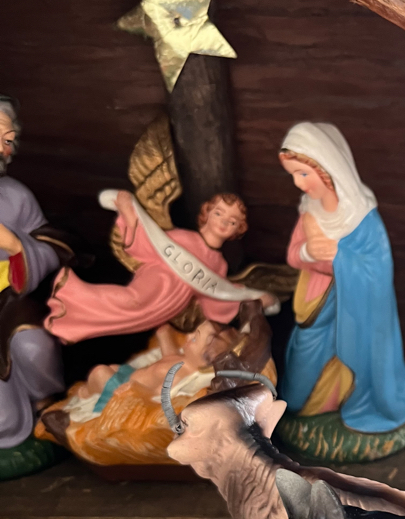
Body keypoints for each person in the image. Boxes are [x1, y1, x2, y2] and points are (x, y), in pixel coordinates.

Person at [278, 122, 405, 435]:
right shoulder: (309, 211)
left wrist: (338, 258)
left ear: (326, 169)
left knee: (351, 361)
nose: (299, 184)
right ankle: (309, 406)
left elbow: (378, 269)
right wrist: (308, 252)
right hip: (313, 311)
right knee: (296, 393)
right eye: (293, 175)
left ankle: (353, 400)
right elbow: (293, 255)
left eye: (303, 174)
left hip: (355, 315)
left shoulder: (361, 217)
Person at [45, 191, 278, 343]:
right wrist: (129, 212)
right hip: (158, 280)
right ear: (206, 214)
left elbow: (216, 298)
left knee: (124, 321)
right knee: (130, 300)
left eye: (232, 221)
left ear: (238, 230)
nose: (224, 222)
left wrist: (251, 297)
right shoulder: (183, 238)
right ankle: (70, 293)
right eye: (219, 213)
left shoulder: (219, 264)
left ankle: (71, 324)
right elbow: (147, 243)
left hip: (170, 304)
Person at [0, 95, 74, 450]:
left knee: (34, 345)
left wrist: (17, 246)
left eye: (8, 140)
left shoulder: (16, 196)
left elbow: (53, 245)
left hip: (8, 298)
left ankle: (42, 403)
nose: (1, 149)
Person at [77, 319, 239, 411]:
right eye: (194, 332)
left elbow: (156, 395)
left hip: (124, 387)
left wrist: (133, 390)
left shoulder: (180, 375)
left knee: (100, 372)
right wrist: (164, 335)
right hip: (130, 374)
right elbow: (169, 356)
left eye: (195, 339)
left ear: (204, 360)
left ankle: (86, 395)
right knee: (112, 368)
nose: (188, 336)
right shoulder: (184, 359)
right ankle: (90, 390)